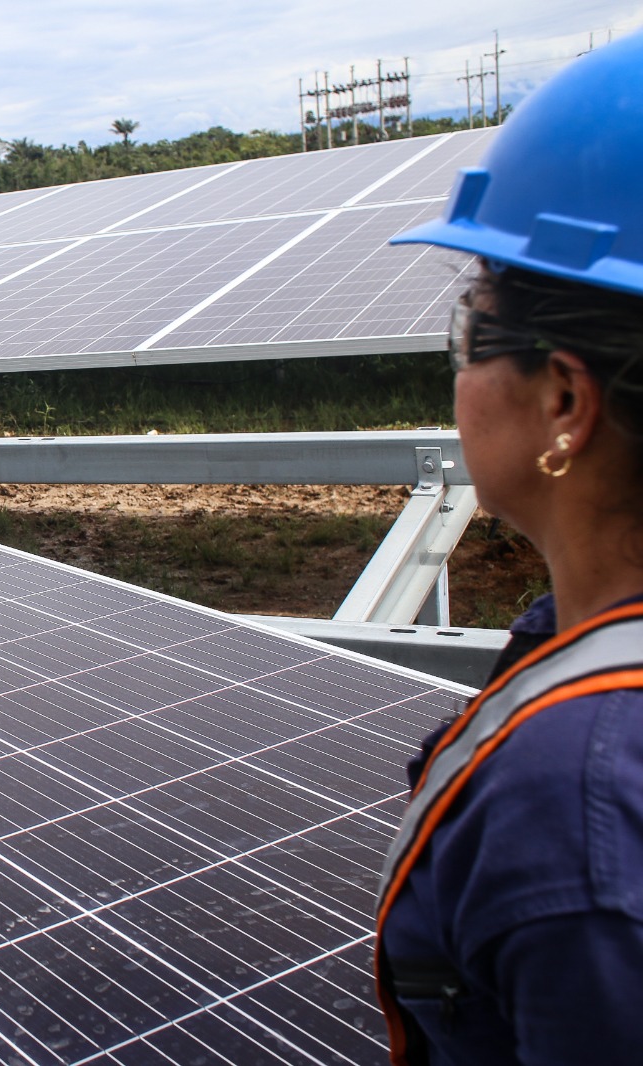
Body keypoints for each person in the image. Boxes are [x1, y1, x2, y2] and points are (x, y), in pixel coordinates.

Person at [374, 32, 643, 1065]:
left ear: (563, 399)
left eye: (468, 328)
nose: (454, 374)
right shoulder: (566, 646)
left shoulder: (579, 806)